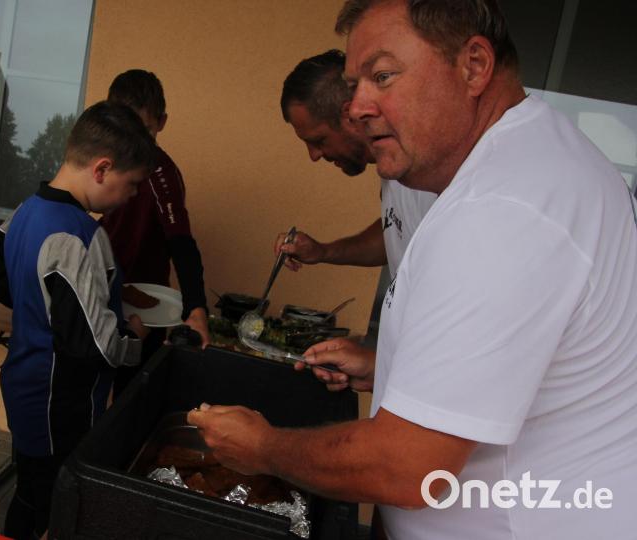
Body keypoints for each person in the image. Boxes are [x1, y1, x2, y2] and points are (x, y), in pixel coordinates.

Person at [189, 1, 637, 538]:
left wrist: (262, 447)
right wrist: (393, 370)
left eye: (382, 76)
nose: (357, 108)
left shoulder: (504, 209)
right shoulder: (527, 163)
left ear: (474, 66)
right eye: (354, 85)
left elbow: (405, 468)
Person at [0, 101, 154, 539]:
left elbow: (1, 284)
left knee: (30, 490)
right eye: (132, 184)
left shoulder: (23, 210)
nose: (133, 196)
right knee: (55, 504)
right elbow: (95, 345)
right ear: (102, 169)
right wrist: (134, 338)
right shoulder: (81, 234)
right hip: (60, 402)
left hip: (23, 383)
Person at [276, 50, 436, 280]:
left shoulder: (430, 172)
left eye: (319, 141)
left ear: (350, 116)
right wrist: (323, 252)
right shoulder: (390, 168)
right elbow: (394, 233)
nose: (314, 155)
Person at [99, 69, 210, 396]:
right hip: (100, 294)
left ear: (161, 122)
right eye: (126, 127)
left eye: (145, 129)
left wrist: (196, 307)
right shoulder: (100, 160)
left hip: (146, 309)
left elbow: (181, 242)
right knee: (92, 390)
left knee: (131, 396)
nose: (135, 139)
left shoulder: (161, 173)